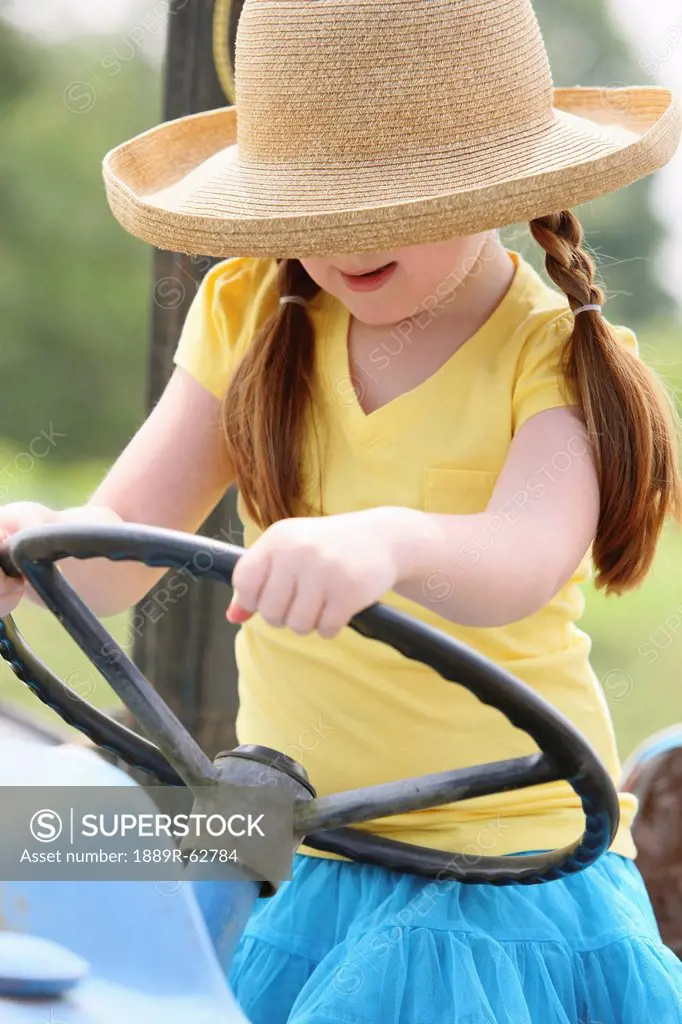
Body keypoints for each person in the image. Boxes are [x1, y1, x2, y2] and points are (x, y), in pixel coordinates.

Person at [2, 0, 682, 1019]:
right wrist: (28, 547)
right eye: (314, 202)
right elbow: (115, 555)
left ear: (501, 184)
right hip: (288, 835)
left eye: (392, 198)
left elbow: (521, 558)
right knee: (46, 856)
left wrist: (385, 542)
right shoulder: (247, 313)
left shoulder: (553, 358)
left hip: (487, 872)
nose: (347, 237)